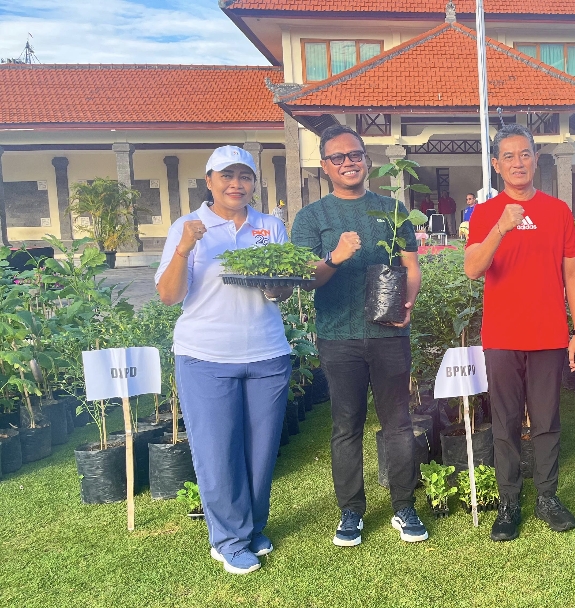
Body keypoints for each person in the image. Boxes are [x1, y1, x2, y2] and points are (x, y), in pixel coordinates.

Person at [155, 145, 293, 574]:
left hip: (267, 353)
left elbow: (282, 291)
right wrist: (184, 248)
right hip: (206, 356)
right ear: (210, 181)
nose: (236, 184)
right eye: (227, 176)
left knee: (261, 452)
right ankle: (228, 540)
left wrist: (277, 286)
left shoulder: (270, 226)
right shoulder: (188, 227)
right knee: (217, 452)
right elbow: (169, 296)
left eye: (244, 176)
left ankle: (251, 528)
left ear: (254, 182)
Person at [290, 124, 428, 547]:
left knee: (398, 423)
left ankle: (404, 505)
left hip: (389, 334)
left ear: (367, 160)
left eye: (355, 155)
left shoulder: (392, 209)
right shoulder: (312, 217)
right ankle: (351, 511)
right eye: (338, 157)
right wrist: (335, 256)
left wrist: (407, 304)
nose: (348, 163)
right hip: (339, 336)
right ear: (325, 165)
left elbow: (410, 266)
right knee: (346, 425)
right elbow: (306, 279)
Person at [464, 123, 575, 541]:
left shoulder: (558, 211)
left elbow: (572, 273)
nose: (518, 163)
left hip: (548, 335)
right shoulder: (485, 213)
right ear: (496, 165)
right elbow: (472, 269)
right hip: (502, 336)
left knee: (548, 420)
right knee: (506, 421)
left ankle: (547, 497)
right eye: (509, 156)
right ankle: (509, 502)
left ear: (536, 158)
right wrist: (501, 227)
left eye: (525, 154)